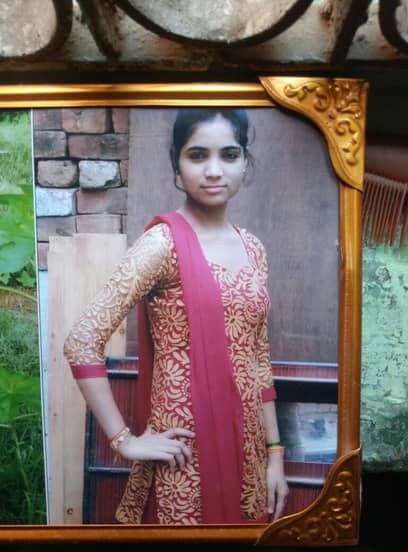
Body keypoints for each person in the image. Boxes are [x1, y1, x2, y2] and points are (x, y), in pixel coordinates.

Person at [63, 108, 289, 525]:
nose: (214, 170)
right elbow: (82, 340)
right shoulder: (161, 244)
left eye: (229, 155)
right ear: (177, 164)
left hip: (248, 448)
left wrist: (275, 454)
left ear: (245, 161)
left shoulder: (253, 248)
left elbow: (258, 358)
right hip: (185, 451)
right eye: (198, 155)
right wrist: (125, 441)